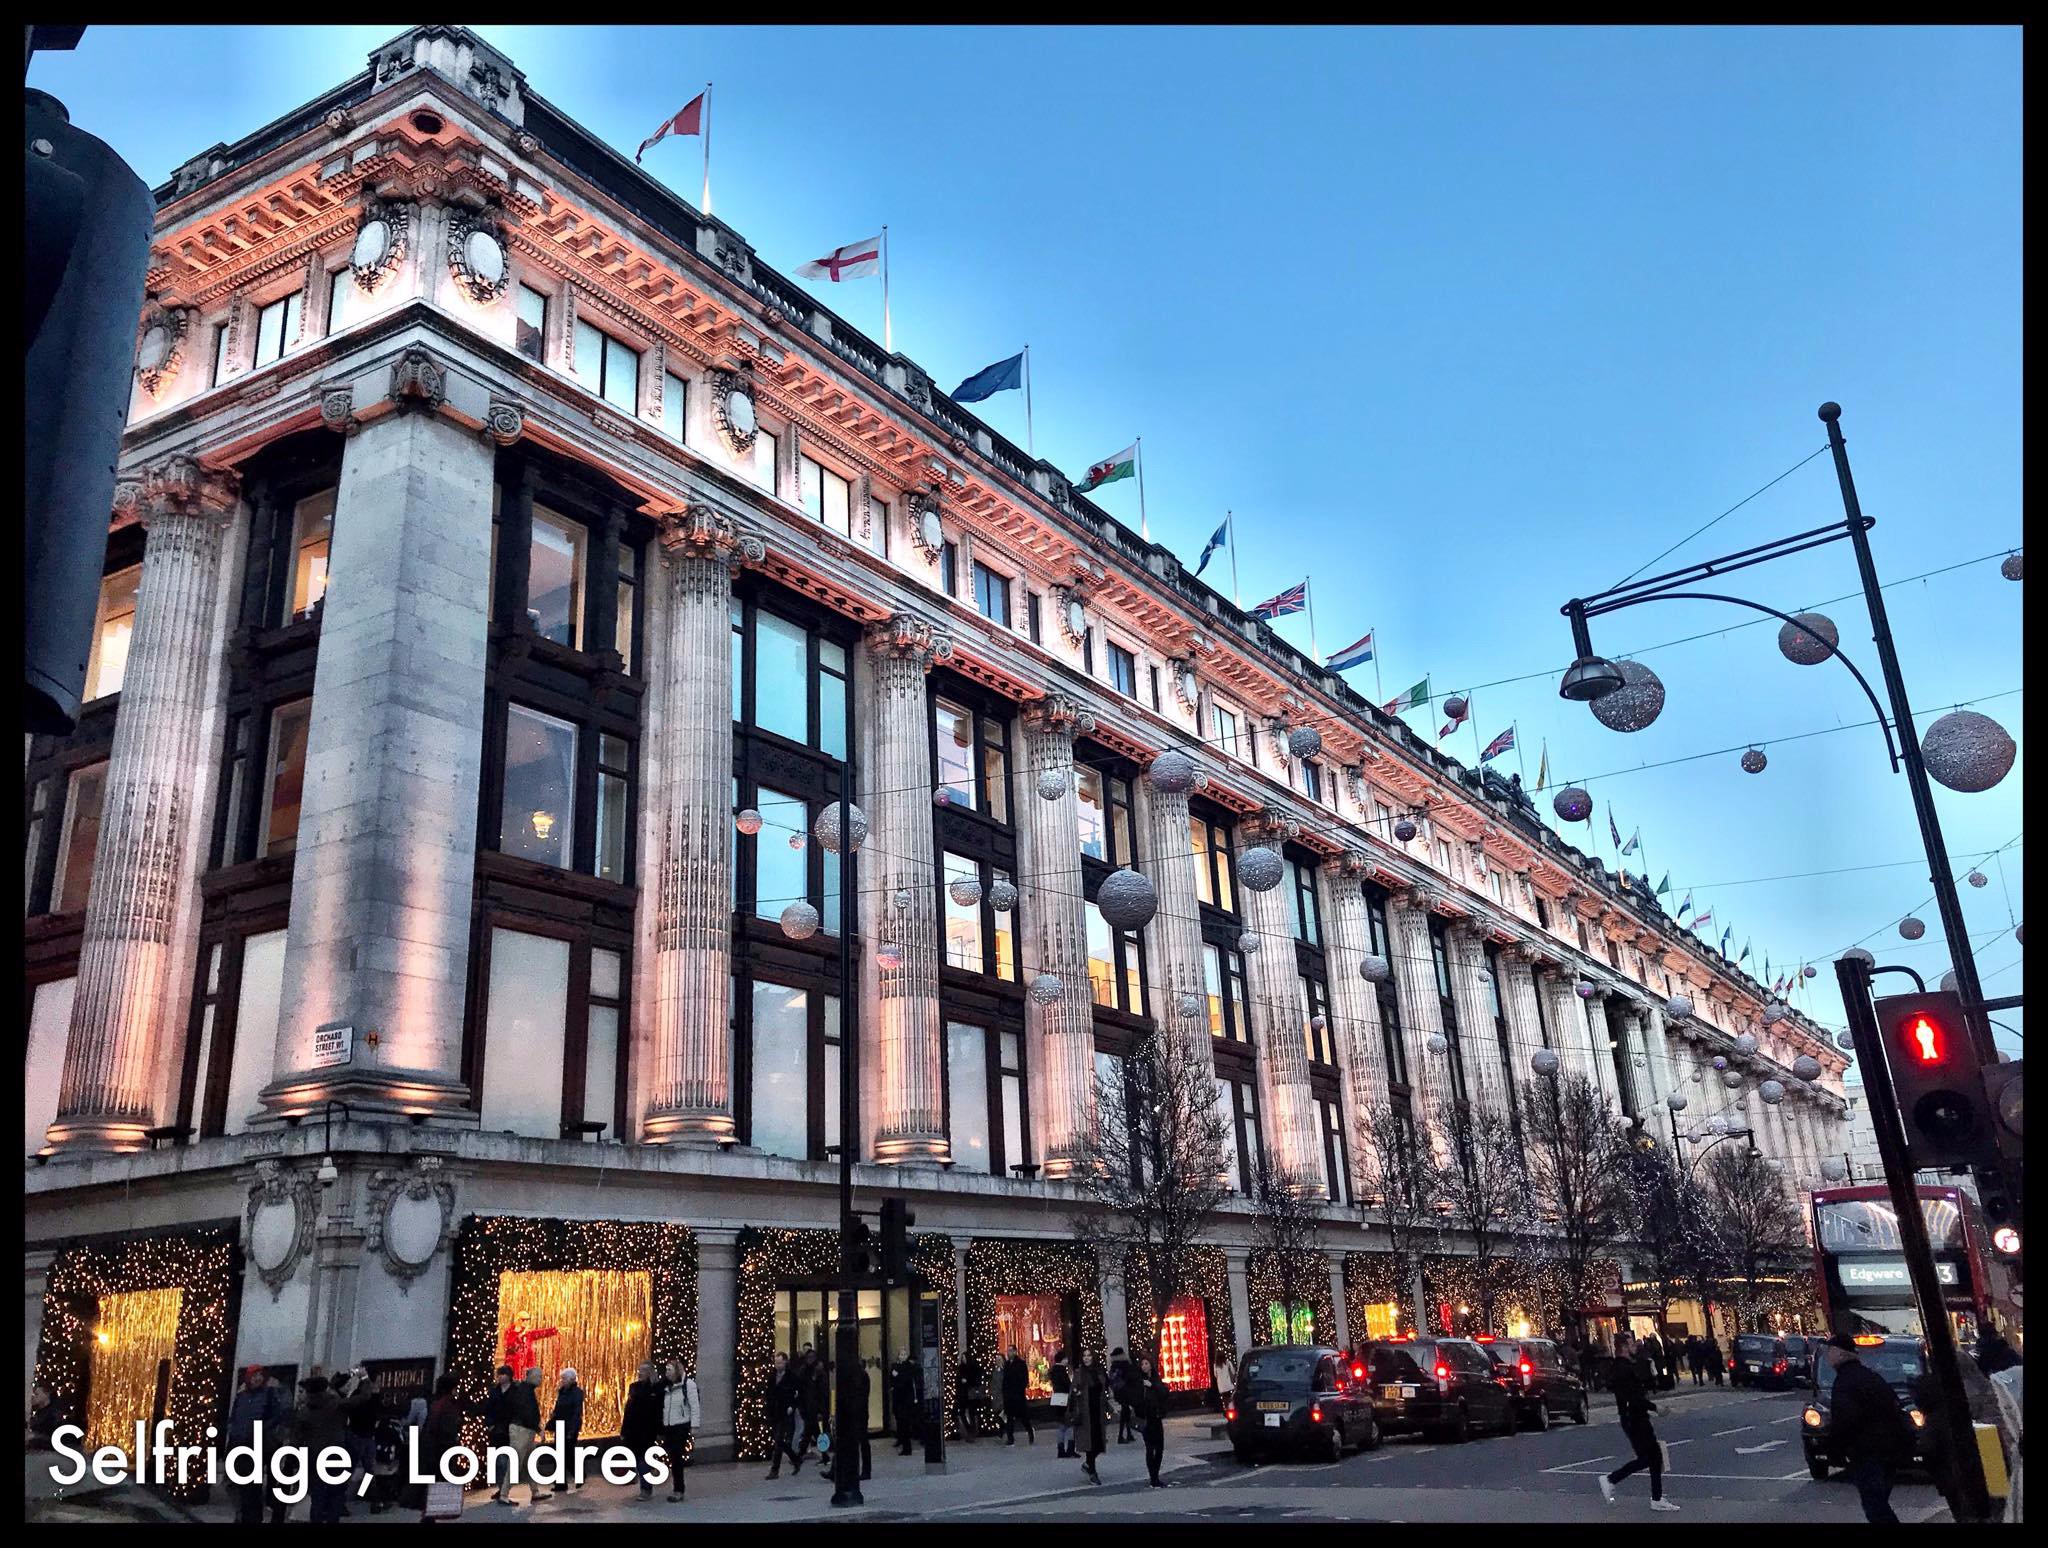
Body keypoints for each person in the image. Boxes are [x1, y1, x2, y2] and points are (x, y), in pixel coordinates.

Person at [1821, 1333, 1915, 1524]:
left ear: (1839, 1353)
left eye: (1829, 1351)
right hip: (1888, 1449)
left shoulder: (1845, 1382)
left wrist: (1834, 1449)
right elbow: (1892, 1407)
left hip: (1867, 1451)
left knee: (1875, 1506)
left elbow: (1845, 1419)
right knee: (1878, 1502)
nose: (1827, 1357)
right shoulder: (1870, 1377)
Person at [1598, 1332, 1677, 1511]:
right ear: (1624, 1347)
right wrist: (1655, 1407)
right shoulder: (1622, 1369)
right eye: (1631, 1343)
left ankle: (1656, 1499)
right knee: (1649, 1458)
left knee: (1654, 1456)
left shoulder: (1623, 1366)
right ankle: (1611, 1479)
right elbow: (1633, 1397)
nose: (1634, 1345)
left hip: (1635, 1416)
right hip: (1634, 1418)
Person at [225, 1365, 291, 1524]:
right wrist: (232, 1431)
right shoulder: (241, 1397)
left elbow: (278, 1415)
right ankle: (243, 1515)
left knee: (253, 1487)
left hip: (257, 1444)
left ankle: (252, 1517)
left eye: (260, 1375)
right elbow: (234, 1417)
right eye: (255, 1375)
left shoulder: (268, 1394)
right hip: (239, 1444)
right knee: (239, 1484)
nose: (258, 1378)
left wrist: (261, 1428)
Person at [296, 1372, 350, 1523]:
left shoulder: (304, 1412)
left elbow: (298, 1438)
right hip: (337, 1453)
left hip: (315, 1456)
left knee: (317, 1496)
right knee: (336, 1494)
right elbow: (361, 1400)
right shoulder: (336, 1405)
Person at [339, 1365, 388, 1512]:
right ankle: (371, 1499)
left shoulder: (358, 1395)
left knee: (354, 1470)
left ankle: (345, 1500)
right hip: (362, 1435)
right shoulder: (368, 1398)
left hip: (359, 1434)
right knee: (363, 1470)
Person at [417, 1374, 463, 1520]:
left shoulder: (436, 1403)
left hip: (431, 1448)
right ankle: (430, 1515)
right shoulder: (448, 1405)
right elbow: (447, 1429)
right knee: (438, 1484)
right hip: (441, 1449)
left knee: (432, 1484)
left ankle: (428, 1515)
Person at [621, 1362, 664, 1500]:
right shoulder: (634, 1387)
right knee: (636, 1457)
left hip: (647, 1429)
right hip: (633, 1429)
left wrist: (659, 1430)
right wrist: (624, 1429)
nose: (640, 1373)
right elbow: (628, 1409)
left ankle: (646, 1489)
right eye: (639, 1370)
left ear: (650, 1372)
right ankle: (646, 1472)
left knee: (642, 1459)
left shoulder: (656, 1389)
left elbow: (658, 1411)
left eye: (643, 1371)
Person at [659, 1358, 700, 1500]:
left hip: (681, 1425)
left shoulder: (688, 1385)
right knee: (673, 1456)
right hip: (669, 1426)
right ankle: (677, 1488)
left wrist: (694, 1425)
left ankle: (679, 1490)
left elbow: (694, 1406)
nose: (667, 1373)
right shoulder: (666, 1386)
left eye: (669, 1370)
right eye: (666, 1370)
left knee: (676, 1457)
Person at [1131, 1354, 1170, 1488]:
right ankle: (1153, 1478)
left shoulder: (1155, 1379)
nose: (1144, 1366)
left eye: (1146, 1364)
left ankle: (1156, 1476)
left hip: (1156, 1417)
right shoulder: (1138, 1381)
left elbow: (1164, 1393)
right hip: (1146, 1418)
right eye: (1142, 1364)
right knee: (1150, 1448)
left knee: (1159, 1448)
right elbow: (1136, 1399)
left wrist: (1152, 1385)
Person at [764, 1352, 803, 1480]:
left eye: (780, 1362)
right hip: (774, 1412)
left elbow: (798, 1393)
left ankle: (774, 1470)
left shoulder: (792, 1377)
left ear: (785, 1362)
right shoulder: (772, 1376)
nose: (777, 1365)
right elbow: (768, 1393)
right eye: (776, 1362)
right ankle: (796, 1458)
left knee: (779, 1440)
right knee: (778, 1441)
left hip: (786, 1411)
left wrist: (792, 1405)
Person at [548, 1367, 585, 1496]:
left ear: (571, 1379)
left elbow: (576, 1412)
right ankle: (560, 1483)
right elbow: (558, 1407)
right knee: (559, 1453)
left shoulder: (577, 1393)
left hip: (570, 1426)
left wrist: (572, 1429)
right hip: (560, 1424)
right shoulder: (562, 1391)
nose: (561, 1381)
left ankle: (578, 1475)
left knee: (567, 1454)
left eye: (563, 1378)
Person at [1074, 1350, 1108, 1483]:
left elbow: (1104, 1387)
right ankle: (1093, 1472)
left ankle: (1088, 1464)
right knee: (1090, 1443)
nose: (1086, 1358)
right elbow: (1074, 1390)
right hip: (1085, 1412)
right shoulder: (1080, 1373)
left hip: (1097, 1411)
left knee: (1098, 1443)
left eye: (1089, 1355)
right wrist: (1077, 1393)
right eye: (1084, 1355)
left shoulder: (1098, 1371)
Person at [890, 1351, 923, 1455]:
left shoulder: (909, 1367)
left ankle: (907, 1447)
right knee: (901, 1423)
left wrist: (897, 1375)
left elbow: (905, 1380)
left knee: (905, 1423)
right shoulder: (895, 1366)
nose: (902, 1356)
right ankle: (903, 1443)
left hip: (905, 1400)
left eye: (904, 1355)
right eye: (901, 1354)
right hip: (899, 1399)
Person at [1000, 1346, 1034, 1445]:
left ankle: (1030, 1431)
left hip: (1018, 1396)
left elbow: (1024, 1379)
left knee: (1024, 1417)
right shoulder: (1006, 1364)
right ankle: (1010, 1439)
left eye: (1010, 1351)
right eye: (1008, 1351)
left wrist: (1020, 1388)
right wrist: (1005, 1392)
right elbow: (1005, 1380)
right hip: (1009, 1396)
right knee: (1009, 1418)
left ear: (1015, 1352)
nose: (1008, 1353)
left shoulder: (1021, 1364)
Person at [955, 1352, 986, 1441]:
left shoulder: (973, 1368)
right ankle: (969, 1429)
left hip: (970, 1394)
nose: (963, 1359)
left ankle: (972, 1430)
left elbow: (976, 1380)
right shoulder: (961, 1368)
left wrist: (967, 1381)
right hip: (962, 1394)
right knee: (962, 1412)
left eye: (964, 1357)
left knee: (972, 1413)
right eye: (962, 1358)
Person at [1050, 1348, 1075, 1457]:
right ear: (1062, 1359)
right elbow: (1067, 1385)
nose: (1067, 1361)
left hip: (1057, 1398)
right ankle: (1070, 1448)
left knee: (1061, 1425)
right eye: (1066, 1359)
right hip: (1065, 1399)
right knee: (1069, 1424)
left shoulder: (1054, 1371)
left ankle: (1061, 1449)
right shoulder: (1061, 1371)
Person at [1110, 1347, 1135, 1443]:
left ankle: (1128, 1434)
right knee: (1125, 1412)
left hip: (1118, 1392)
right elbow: (1130, 1377)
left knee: (1126, 1411)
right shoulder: (1125, 1364)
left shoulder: (1113, 1365)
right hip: (1126, 1391)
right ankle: (1122, 1435)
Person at [1212, 1352, 1235, 1416]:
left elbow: (1215, 1375)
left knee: (1225, 1398)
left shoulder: (1216, 1365)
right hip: (1229, 1384)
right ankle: (1231, 1408)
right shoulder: (1228, 1363)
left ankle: (1226, 1409)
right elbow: (1233, 1372)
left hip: (1221, 1385)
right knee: (1231, 1397)